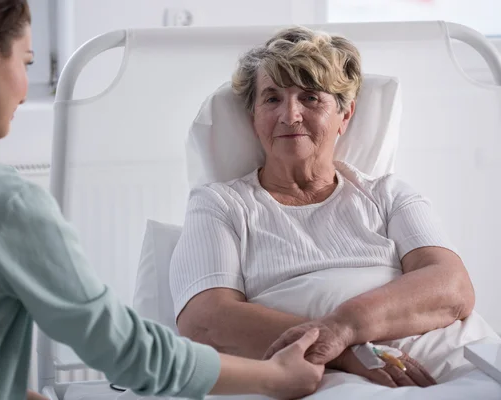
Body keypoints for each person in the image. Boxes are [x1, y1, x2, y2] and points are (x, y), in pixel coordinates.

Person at [0, 2, 326, 400]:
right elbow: (128, 352)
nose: (23, 88)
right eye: (26, 62)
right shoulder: (2, 202)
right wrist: (275, 377)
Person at [170, 26, 479, 389]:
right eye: (272, 99)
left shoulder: (388, 195)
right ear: (253, 118)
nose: (290, 115)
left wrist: (343, 328)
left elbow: (453, 287)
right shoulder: (221, 205)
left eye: (311, 97)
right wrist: (342, 352)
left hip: (441, 364)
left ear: (344, 116)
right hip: (319, 376)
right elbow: (205, 320)